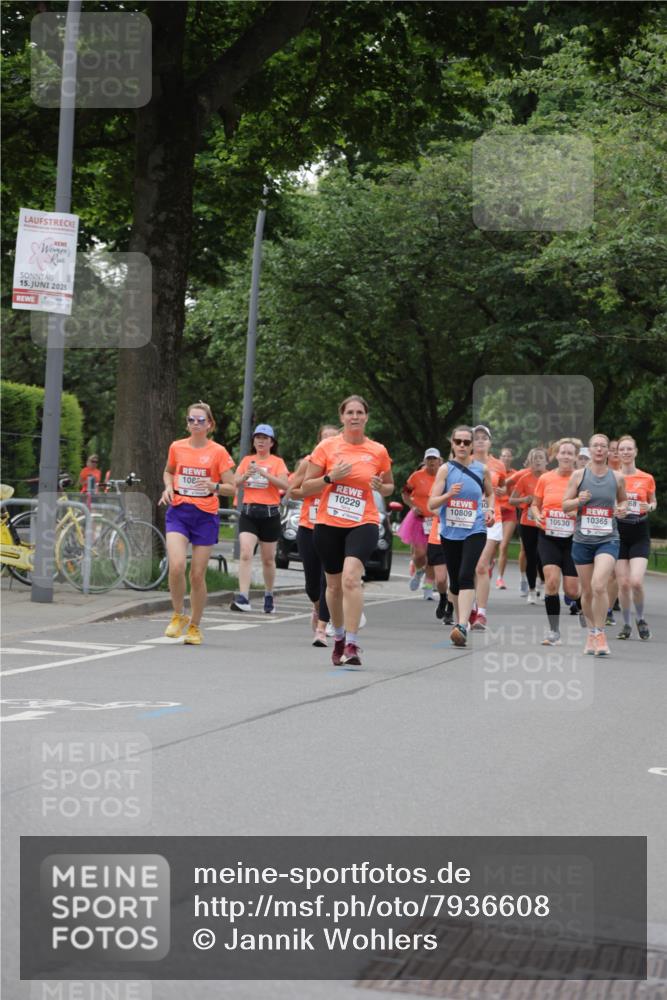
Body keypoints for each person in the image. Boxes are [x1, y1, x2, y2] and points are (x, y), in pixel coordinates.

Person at [302, 395, 393, 667]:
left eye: (359, 412)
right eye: (349, 412)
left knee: (351, 578)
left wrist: (380, 487)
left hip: (362, 521)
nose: (355, 417)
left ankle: (352, 643)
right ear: (342, 417)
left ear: (366, 417)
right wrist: (331, 478)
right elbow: (306, 487)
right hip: (328, 522)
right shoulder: (326, 447)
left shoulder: (377, 450)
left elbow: (389, 487)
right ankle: (339, 638)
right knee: (333, 585)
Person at [160, 401, 235, 645]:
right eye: (191, 420)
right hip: (179, 510)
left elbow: (231, 487)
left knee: (197, 574)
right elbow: (169, 471)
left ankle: (194, 625)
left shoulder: (218, 452)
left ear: (210, 425)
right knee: (177, 565)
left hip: (205, 515)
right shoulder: (177, 447)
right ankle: (178, 614)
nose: (195, 424)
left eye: (201, 420)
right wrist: (169, 486)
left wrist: (214, 486)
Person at [428, 426, 494, 647]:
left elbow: (491, 493)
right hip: (450, 532)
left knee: (467, 574)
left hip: (475, 529)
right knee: (454, 582)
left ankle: (463, 624)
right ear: (453, 444)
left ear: (473, 445)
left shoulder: (482, 470)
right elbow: (431, 503)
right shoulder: (445, 470)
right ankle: (460, 623)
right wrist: (448, 494)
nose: (463, 446)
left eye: (467, 442)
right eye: (459, 441)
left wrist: (490, 511)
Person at [562, 433, 627, 657]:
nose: (599, 449)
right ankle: (591, 632)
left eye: (603, 446)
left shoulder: (617, 478)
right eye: (595, 446)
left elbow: (623, 500)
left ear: (609, 451)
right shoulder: (579, 476)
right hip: (582, 540)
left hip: (608, 539)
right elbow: (564, 506)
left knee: (599, 585)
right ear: (590, 450)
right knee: (587, 591)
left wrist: (623, 508)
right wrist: (578, 500)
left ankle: (600, 633)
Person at [287, 424, 339, 646]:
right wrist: (316, 489)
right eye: (324, 438)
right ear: (319, 441)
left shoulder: (343, 463)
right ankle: (318, 608)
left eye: (332, 438)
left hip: (333, 526)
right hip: (309, 525)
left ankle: (324, 625)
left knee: (328, 579)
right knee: (312, 584)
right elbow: (293, 490)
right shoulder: (309, 462)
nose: (327, 442)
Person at [231, 424, 290, 614]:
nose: (261, 441)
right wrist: (245, 475)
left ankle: (269, 594)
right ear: (253, 441)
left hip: (270, 514)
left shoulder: (277, 462)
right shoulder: (247, 460)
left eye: (265, 438)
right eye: (258, 438)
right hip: (249, 513)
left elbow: (285, 484)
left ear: (272, 442)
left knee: (268, 559)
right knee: (246, 552)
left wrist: (265, 474)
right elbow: (234, 483)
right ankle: (243, 597)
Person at [530, 438, 581, 645]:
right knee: (551, 581)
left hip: (573, 539)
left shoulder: (581, 479)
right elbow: (535, 504)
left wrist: (576, 514)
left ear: (576, 457)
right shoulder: (546, 478)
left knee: (572, 590)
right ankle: (554, 632)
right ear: (556, 455)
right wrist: (536, 515)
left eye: (571, 453)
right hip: (548, 536)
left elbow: (588, 508)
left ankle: (582, 603)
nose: (567, 456)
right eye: (563, 452)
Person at [614, 435, 657, 640]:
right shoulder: (612, 477)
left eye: (629, 449)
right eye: (622, 449)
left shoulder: (646, 478)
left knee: (636, 581)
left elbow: (653, 502)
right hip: (619, 533)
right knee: (622, 584)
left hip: (640, 532)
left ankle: (640, 618)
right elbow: (606, 505)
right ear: (618, 453)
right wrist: (615, 511)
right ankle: (626, 624)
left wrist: (649, 506)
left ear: (635, 451)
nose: (625, 452)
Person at [470, 425, 507, 630]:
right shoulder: (465, 462)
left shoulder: (498, 465)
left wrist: (500, 491)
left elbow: (501, 488)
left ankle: (481, 613)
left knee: (481, 565)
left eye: (485, 438)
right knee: (469, 567)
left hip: (492, 518)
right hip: (467, 518)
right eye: (477, 438)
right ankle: (470, 606)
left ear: (490, 442)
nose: (481, 441)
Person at [399, 448, 443, 599]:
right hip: (419, 519)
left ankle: (428, 588)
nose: (431, 462)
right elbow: (405, 493)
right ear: (424, 461)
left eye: (434, 459)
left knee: (432, 555)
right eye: (428, 459)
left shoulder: (444, 476)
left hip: (437, 521)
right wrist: (412, 506)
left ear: (439, 461)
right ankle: (419, 571)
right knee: (420, 554)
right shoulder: (416, 476)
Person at [509, 448, 548, 605]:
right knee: (531, 556)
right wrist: (525, 499)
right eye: (534, 458)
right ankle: (532, 590)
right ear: (530, 461)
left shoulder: (550, 477)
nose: (537, 460)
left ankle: (544, 585)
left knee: (543, 555)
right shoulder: (525, 478)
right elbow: (512, 500)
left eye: (540, 458)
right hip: (527, 522)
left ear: (546, 461)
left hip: (545, 521)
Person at [495, 446, 516, 590]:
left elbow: (517, 493)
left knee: (503, 546)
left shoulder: (515, 474)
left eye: (508, 456)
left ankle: (500, 578)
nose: (506, 458)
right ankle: (488, 564)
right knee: (491, 546)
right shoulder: (494, 472)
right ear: (499, 458)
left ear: (512, 458)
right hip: (495, 511)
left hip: (509, 512)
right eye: (503, 456)